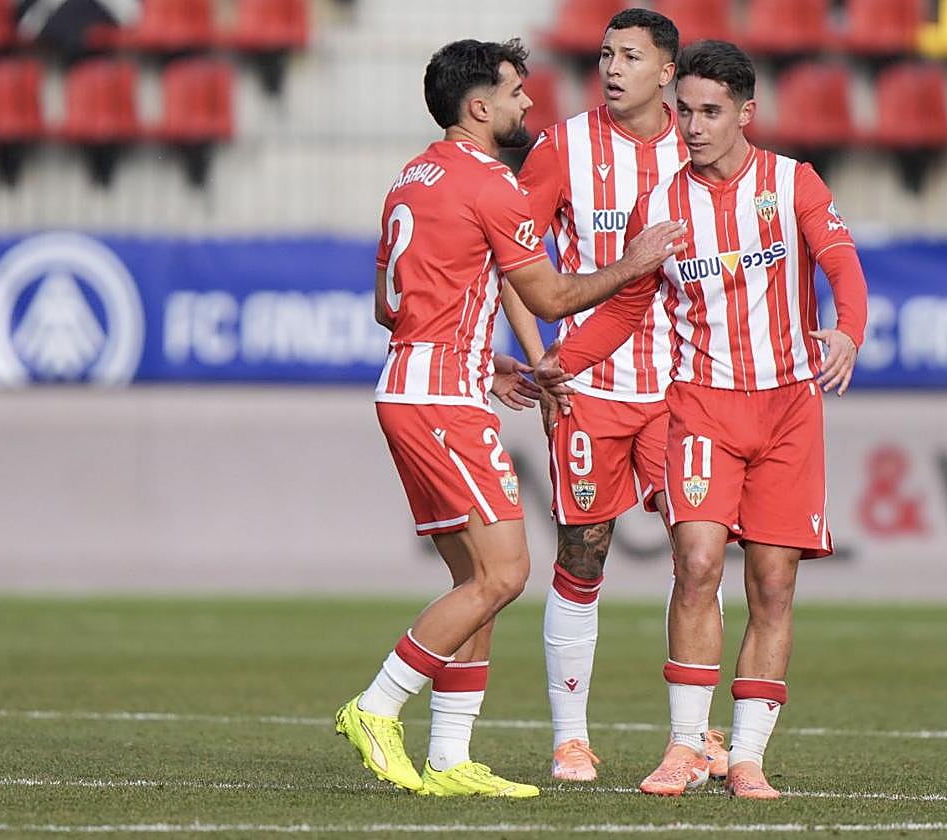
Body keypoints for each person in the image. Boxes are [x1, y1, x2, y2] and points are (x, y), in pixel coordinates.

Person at [334, 37, 685, 799]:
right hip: (440, 404)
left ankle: (450, 755)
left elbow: (390, 305)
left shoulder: (412, 176)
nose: (530, 104)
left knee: (475, 581)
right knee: (506, 573)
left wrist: (482, 357)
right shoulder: (493, 184)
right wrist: (637, 260)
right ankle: (376, 706)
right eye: (517, 92)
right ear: (480, 106)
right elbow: (553, 297)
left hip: (421, 384)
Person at [537, 39, 868, 799]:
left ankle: (745, 755)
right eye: (683, 109)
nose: (692, 125)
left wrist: (847, 328)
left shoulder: (792, 184)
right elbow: (626, 306)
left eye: (710, 112)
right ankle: (686, 745)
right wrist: (567, 358)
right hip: (701, 410)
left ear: (746, 113)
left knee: (774, 584)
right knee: (695, 563)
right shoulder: (661, 208)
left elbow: (843, 263)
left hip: (788, 410)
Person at [506, 7, 727, 784]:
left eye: (630, 56)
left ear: (668, 71)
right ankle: (571, 738)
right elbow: (514, 259)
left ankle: (694, 738)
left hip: (686, 386)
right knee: (582, 553)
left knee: (699, 556)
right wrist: (539, 362)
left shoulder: (700, 144)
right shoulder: (563, 145)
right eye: (605, 54)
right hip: (591, 388)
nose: (611, 67)